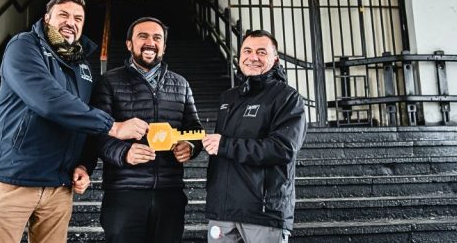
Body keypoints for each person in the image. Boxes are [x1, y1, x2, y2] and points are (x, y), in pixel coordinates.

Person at [0, 0, 149, 243]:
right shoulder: (24, 46)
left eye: (78, 18)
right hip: (14, 180)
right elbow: (48, 100)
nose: (72, 22)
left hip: (59, 185)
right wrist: (112, 126)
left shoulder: (83, 67)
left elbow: (84, 121)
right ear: (47, 18)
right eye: (63, 15)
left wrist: (84, 164)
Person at [90, 17, 204, 243]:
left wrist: (191, 147)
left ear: (164, 45)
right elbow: (96, 133)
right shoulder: (108, 82)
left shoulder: (181, 84)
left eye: (157, 37)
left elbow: (195, 128)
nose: (150, 42)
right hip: (124, 193)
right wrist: (124, 153)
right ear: (129, 44)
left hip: (169, 193)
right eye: (143, 36)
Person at [202, 30, 307, 243]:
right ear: (239, 56)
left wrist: (225, 145)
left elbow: (283, 148)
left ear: (275, 59)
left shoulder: (287, 97)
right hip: (222, 213)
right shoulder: (228, 97)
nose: (253, 57)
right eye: (247, 51)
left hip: (263, 213)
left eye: (261, 52)